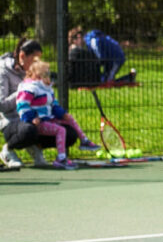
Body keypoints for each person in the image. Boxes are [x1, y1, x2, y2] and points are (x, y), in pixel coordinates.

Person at [1, 38, 78, 169]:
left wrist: (59, 112)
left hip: (38, 120)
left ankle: (36, 147)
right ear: (22, 56)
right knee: (29, 130)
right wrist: (24, 92)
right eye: (35, 59)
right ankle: (8, 150)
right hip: (12, 122)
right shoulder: (3, 71)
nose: (38, 63)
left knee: (69, 132)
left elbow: (46, 100)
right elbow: (1, 105)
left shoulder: (35, 74)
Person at [15, 60, 101, 169]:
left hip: (48, 119)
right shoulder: (29, 88)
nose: (48, 76)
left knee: (69, 119)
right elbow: (22, 106)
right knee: (61, 130)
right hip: (38, 123)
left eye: (48, 73)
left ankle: (84, 141)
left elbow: (54, 104)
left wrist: (62, 114)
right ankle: (61, 158)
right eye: (45, 74)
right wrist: (31, 118)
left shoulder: (47, 88)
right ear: (37, 75)